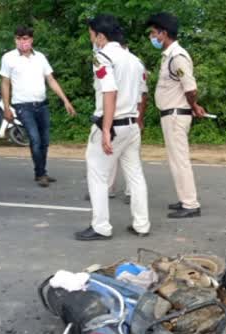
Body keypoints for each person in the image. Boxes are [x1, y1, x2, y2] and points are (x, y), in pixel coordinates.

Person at [75, 15, 150, 241]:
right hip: (131, 124)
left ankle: (101, 227)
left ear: (101, 36)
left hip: (113, 124)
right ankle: (141, 224)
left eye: (92, 35)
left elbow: (110, 92)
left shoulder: (102, 57)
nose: (92, 40)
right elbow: (140, 96)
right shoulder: (135, 61)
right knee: (135, 175)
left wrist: (106, 129)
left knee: (97, 175)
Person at [0, 26, 76, 187]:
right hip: (22, 106)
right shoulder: (8, 58)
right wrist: (6, 107)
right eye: (19, 39)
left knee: (45, 140)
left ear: (31, 40)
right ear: (15, 40)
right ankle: (40, 174)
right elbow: (5, 83)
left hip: (42, 105)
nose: (22, 42)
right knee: (35, 138)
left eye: (25, 38)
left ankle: (41, 171)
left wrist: (65, 100)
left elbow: (51, 80)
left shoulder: (40, 57)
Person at [146, 12, 206, 219]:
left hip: (175, 115)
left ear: (163, 33)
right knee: (175, 160)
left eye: (153, 33)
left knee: (180, 160)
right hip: (171, 115)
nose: (151, 37)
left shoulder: (177, 57)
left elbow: (190, 88)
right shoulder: (169, 56)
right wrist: (194, 105)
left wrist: (194, 104)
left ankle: (190, 204)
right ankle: (185, 199)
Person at [107, 33, 149, 205]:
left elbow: (143, 93)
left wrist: (140, 117)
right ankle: (110, 188)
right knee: (126, 160)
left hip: (122, 116)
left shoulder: (131, 62)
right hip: (125, 117)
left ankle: (125, 191)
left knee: (113, 156)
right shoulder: (133, 61)